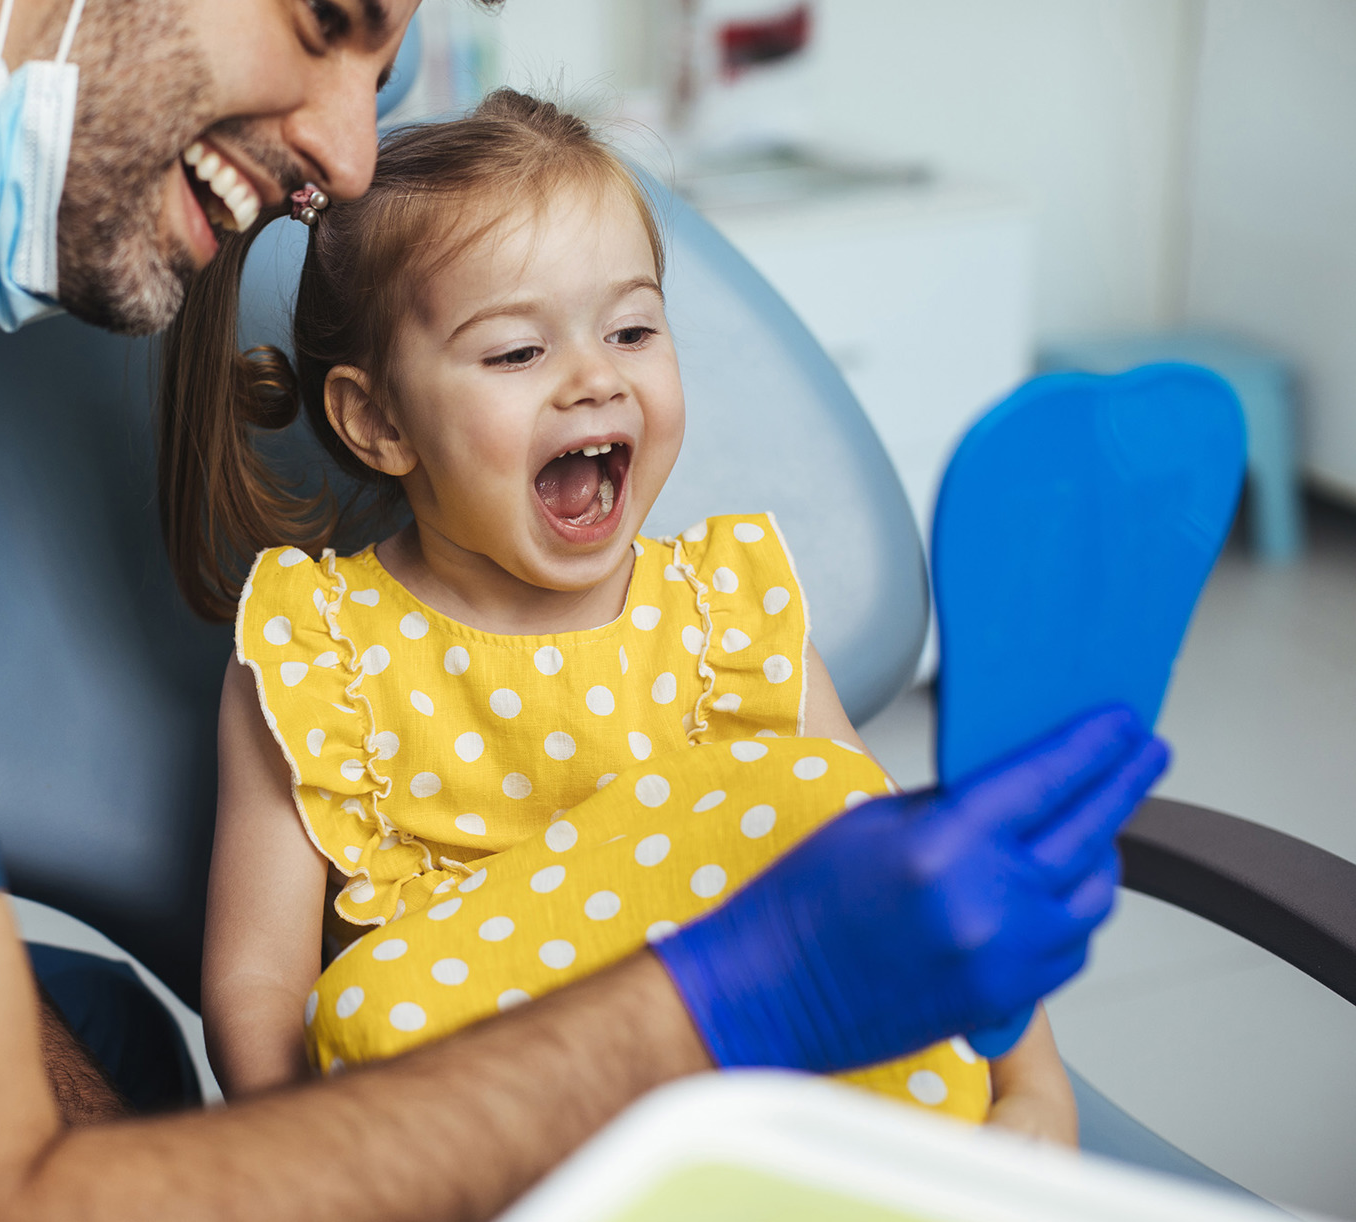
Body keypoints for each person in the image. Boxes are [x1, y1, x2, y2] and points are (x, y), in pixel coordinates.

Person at [0, 0, 1162, 1217]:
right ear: (372, 419)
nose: (352, 157)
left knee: (96, 1043)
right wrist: (719, 1001)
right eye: (323, 16)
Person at [172, 90, 1077, 1140]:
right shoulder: (319, 652)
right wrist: (318, 1169)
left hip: (766, 1109)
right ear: (376, 420)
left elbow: (897, 870)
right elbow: (255, 986)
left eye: (633, 329)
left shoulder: (721, 617)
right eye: (517, 352)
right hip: (484, 1146)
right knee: (367, 1012)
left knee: (823, 793)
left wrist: (1032, 1089)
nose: (594, 379)